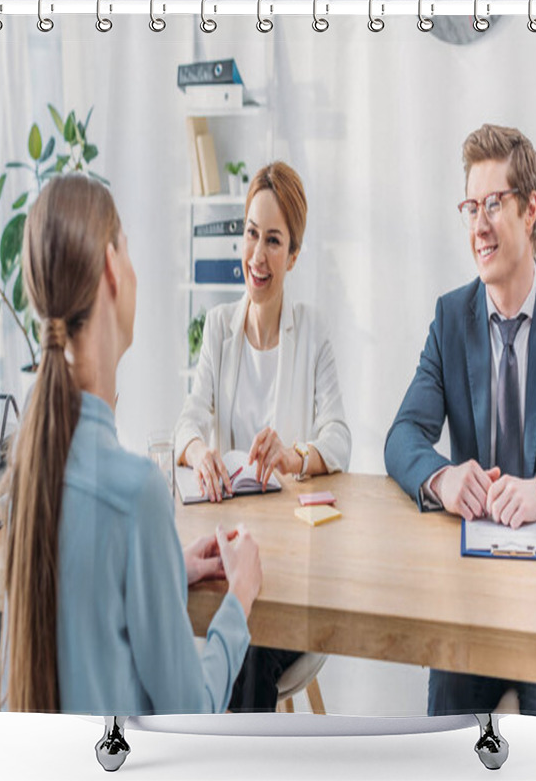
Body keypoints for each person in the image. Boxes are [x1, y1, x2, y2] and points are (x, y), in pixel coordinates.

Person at [0, 174, 262, 714]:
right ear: (110, 269)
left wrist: (165, 566)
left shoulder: (31, 461)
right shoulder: (134, 490)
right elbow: (193, 711)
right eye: (130, 252)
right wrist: (239, 600)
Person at [384, 124, 536, 718]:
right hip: (470, 596)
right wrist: (443, 479)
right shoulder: (450, 319)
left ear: (530, 208)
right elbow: (403, 436)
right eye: (470, 206)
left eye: (494, 204)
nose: (478, 225)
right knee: (445, 745)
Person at [175, 160, 351, 711]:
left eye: (273, 241)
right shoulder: (220, 329)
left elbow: (340, 437)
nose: (257, 255)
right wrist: (201, 451)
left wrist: (295, 456)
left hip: (291, 566)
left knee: (247, 650)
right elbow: (185, 422)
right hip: (229, 555)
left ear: (293, 255)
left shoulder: (312, 329)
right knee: (222, 635)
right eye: (251, 234)